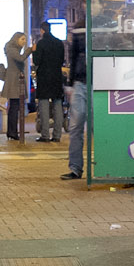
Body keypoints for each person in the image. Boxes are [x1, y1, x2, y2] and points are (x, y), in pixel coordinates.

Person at [62, 28, 89, 180]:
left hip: (96, 82)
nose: (86, 4)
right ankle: (75, 168)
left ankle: (104, 166)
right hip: (80, 81)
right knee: (75, 127)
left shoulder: (106, 23)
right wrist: (71, 83)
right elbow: (73, 57)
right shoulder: (79, 28)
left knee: (94, 127)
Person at [32, 27, 66, 142]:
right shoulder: (59, 42)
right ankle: (57, 135)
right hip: (56, 77)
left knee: (44, 105)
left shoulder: (41, 43)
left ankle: (45, 135)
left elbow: (37, 61)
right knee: (58, 105)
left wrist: (34, 50)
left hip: (44, 77)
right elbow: (62, 60)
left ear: (42, 30)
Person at [0, 32, 32, 141]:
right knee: (14, 107)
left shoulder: (12, 49)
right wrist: (30, 50)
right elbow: (20, 58)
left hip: (15, 81)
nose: (24, 42)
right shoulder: (12, 49)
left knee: (14, 107)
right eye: (22, 39)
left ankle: (12, 132)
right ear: (16, 39)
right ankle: (12, 132)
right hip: (14, 82)